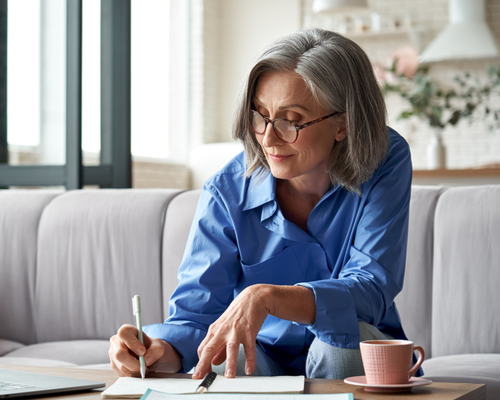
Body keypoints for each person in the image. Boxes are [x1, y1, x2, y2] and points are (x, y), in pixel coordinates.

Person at [109, 28, 413, 380]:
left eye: (291, 121)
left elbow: (371, 287)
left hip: (352, 350)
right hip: (262, 356)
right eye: (259, 116)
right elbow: (196, 316)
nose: (268, 139)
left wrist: (268, 297)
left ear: (343, 124)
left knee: (339, 340)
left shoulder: (384, 158)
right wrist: (156, 352)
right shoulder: (226, 190)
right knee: (227, 353)